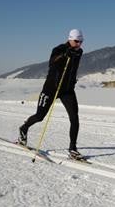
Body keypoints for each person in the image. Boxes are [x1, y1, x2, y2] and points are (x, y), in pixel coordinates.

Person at [18, 29, 84, 159]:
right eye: (76, 41)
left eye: (81, 42)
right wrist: (65, 54)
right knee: (40, 116)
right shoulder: (58, 49)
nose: (79, 44)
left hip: (67, 90)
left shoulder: (79, 52)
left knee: (74, 118)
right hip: (51, 88)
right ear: (70, 39)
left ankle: (73, 149)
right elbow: (52, 62)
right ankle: (23, 128)